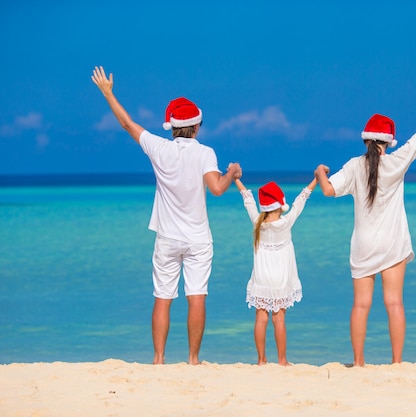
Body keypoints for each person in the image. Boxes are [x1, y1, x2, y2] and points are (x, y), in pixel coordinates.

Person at [91, 66, 242, 365]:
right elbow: (216, 189)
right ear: (197, 127)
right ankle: (193, 359)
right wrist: (231, 173)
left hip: (167, 237)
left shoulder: (158, 148)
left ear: (171, 127)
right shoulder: (205, 153)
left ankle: (158, 359)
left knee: (163, 296)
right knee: (196, 296)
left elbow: (127, 124)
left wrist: (108, 93)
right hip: (199, 238)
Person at [315, 81, 416, 366]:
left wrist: (319, 172)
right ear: (388, 142)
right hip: (393, 242)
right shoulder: (397, 162)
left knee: (360, 305)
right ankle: (396, 362)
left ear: (366, 140)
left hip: (364, 244)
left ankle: (357, 363)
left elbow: (328, 190)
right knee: (394, 303)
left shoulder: (355, 165)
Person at [234, 177, 317, 365]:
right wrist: (316, 179)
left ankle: (261, 360)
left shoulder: (258, 222)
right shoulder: (286, 223)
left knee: (261, 318)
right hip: (280, 278)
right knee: (279, 319)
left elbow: (247, 198)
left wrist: (236, 179)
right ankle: (282, 360)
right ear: (280, 205)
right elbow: (301, 200)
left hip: (261, 276)